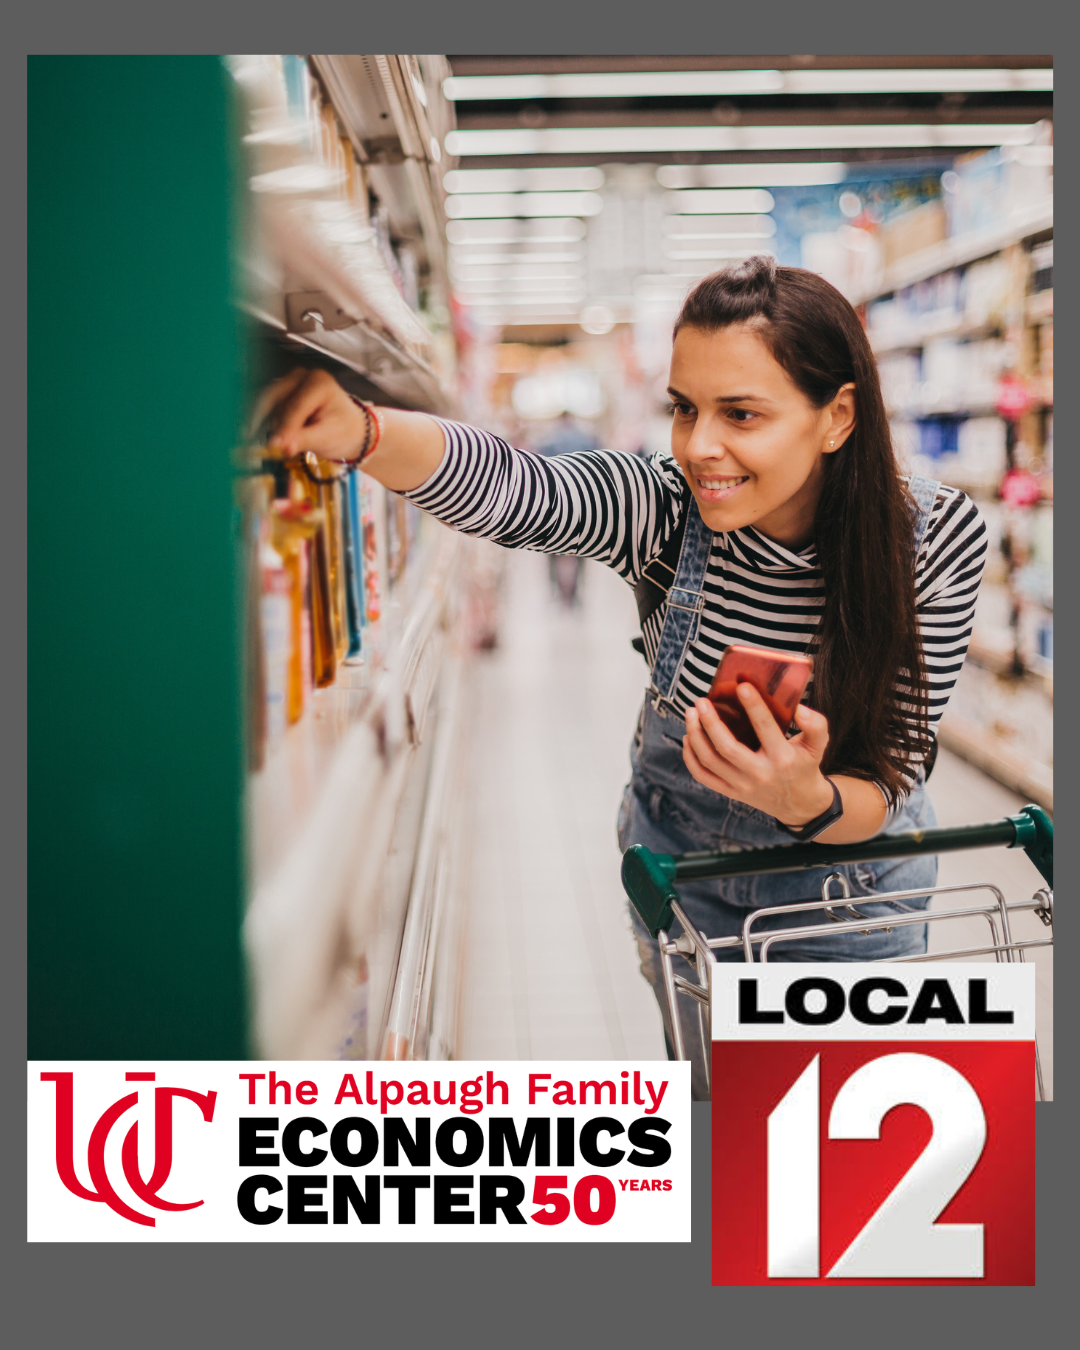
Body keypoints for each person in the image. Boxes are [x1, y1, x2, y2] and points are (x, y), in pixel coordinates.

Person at [261, 257, 986, 1098]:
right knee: (730, 1128)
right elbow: (515, 485)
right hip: (687, 876)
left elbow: (894, 767)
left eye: (741, 414)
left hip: (850, 894)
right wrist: (363, 432)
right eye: (685, 408)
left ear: (837, 417)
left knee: (851, 1169)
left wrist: (806, 802)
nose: (699, 446)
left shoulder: (930, 536)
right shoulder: (664, 506)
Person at [534, 411, 601, 605]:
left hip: (554, 506)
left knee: (551, 548)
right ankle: (577, 590)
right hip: (582, 505)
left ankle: (555, 587)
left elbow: (539, 473)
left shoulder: (548, 440)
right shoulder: (586, 439)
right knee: (582, 549)